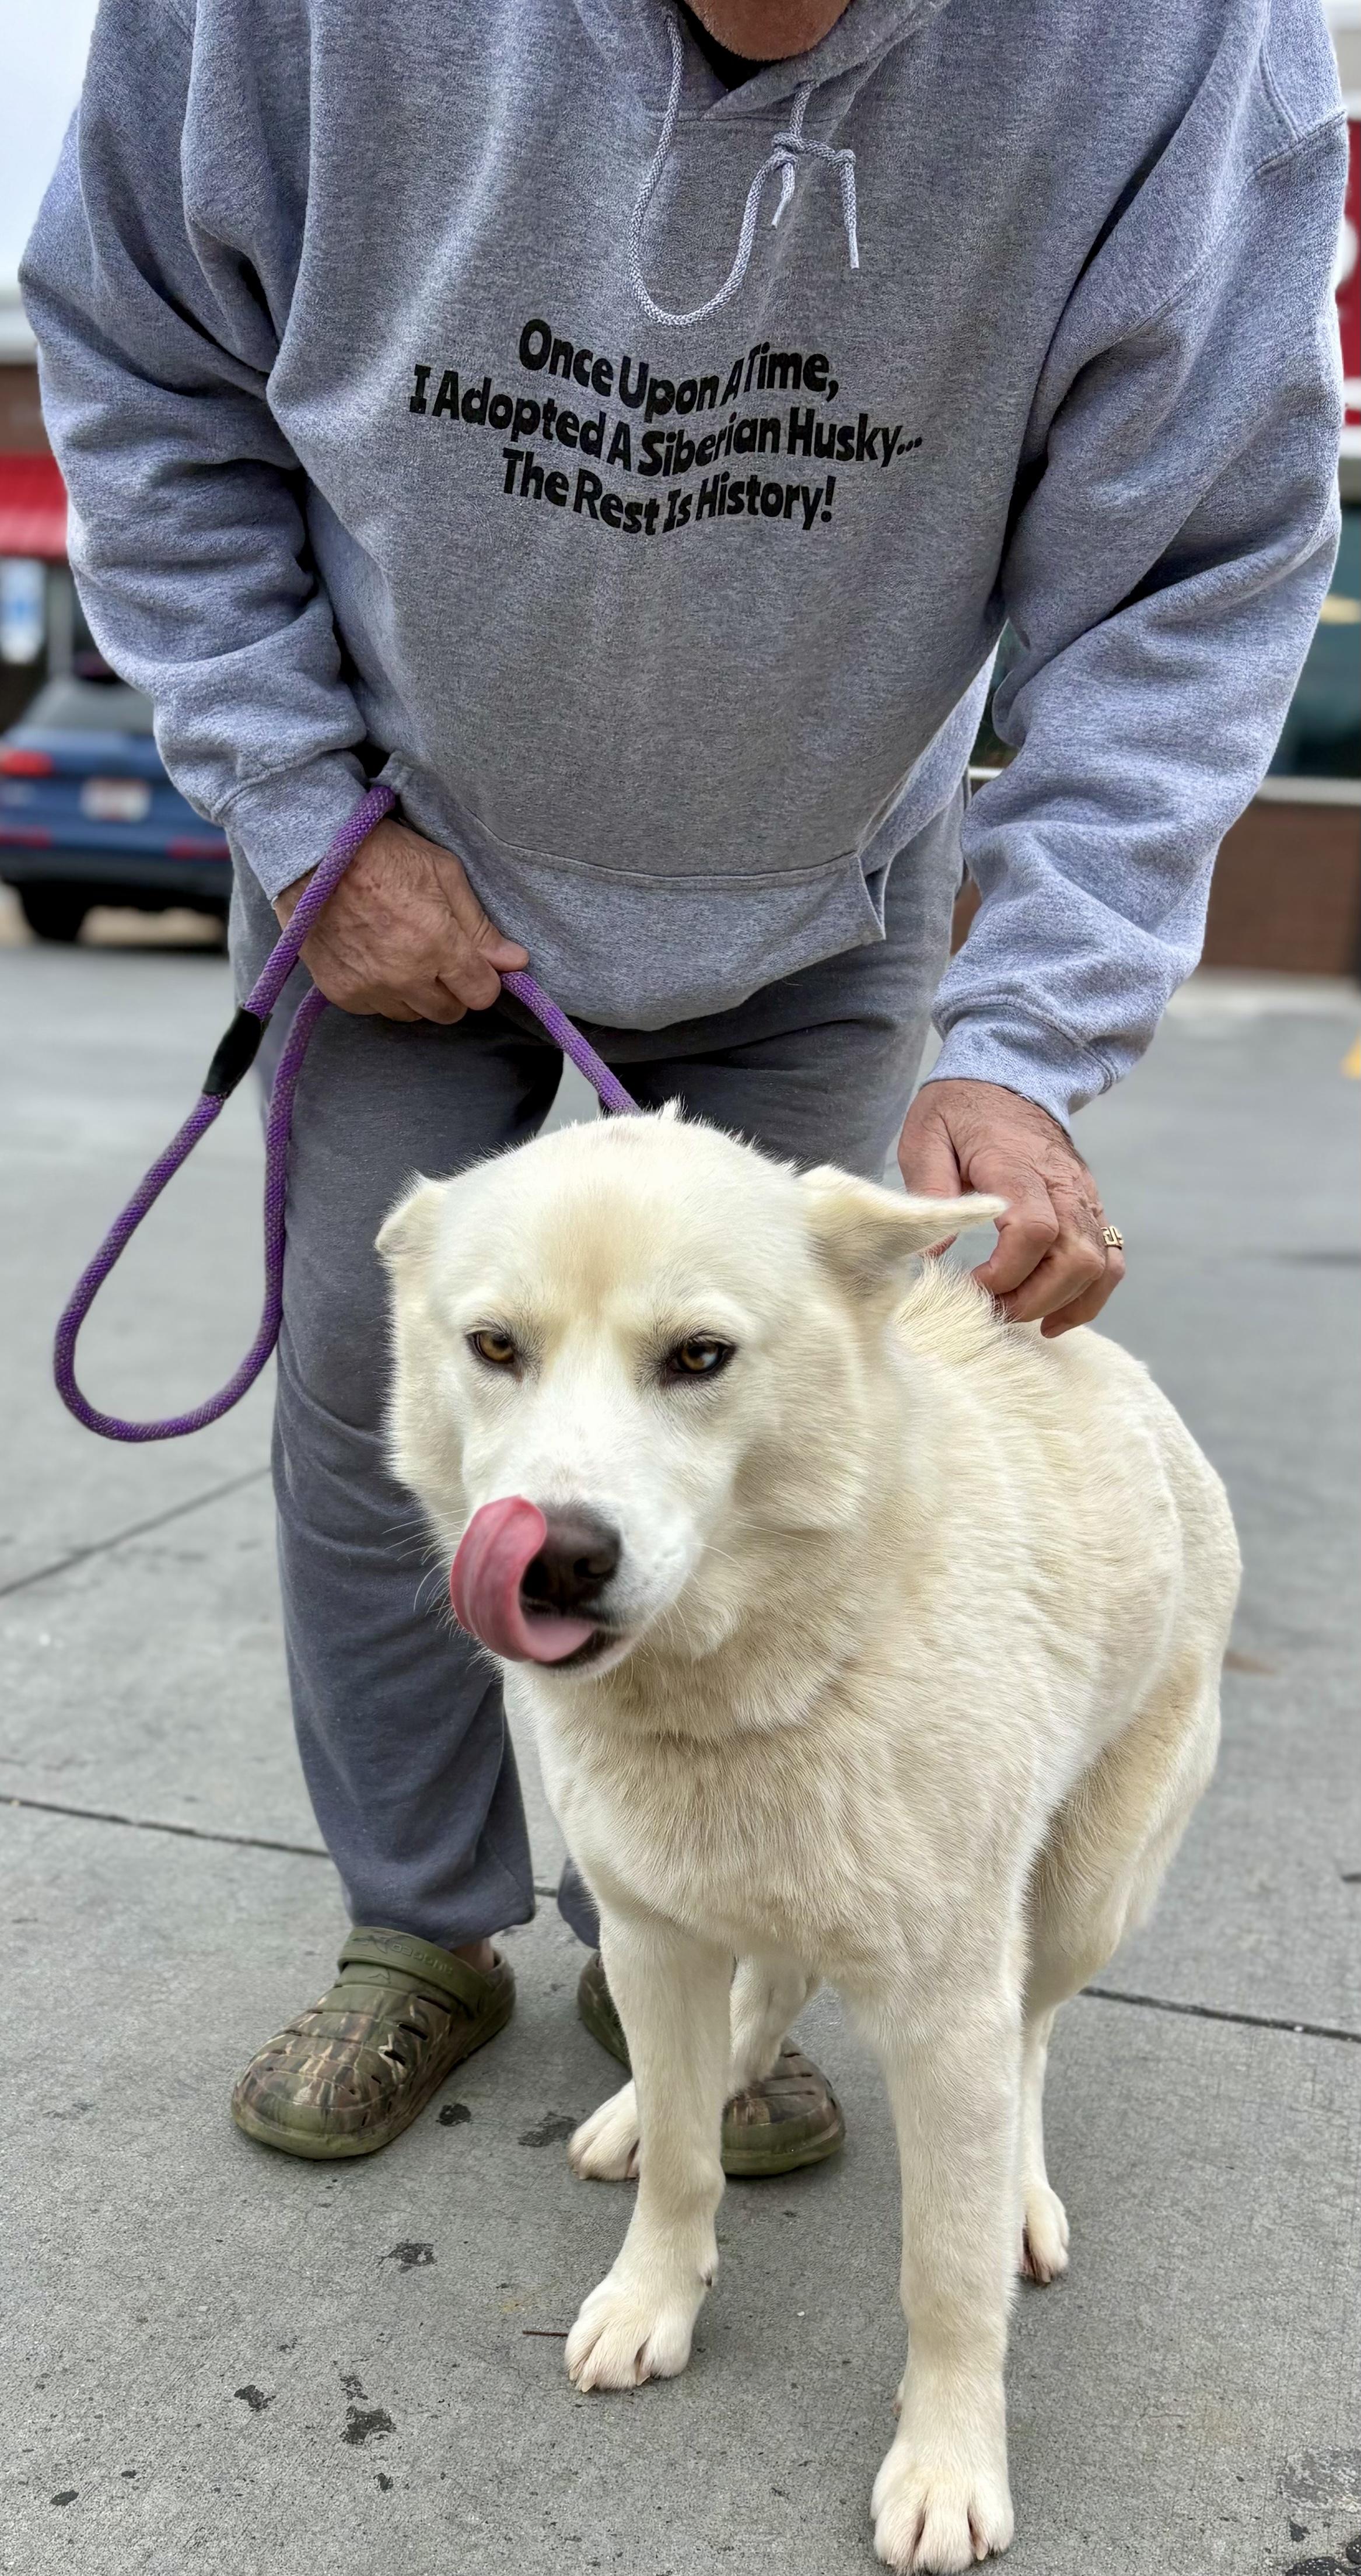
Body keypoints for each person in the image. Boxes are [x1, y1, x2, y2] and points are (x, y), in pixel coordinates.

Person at [23, 0, 1343, 2169]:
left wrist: (1026, 1041)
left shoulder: (1182, 48)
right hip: (400, 871)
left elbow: (1193, 565)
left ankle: (697, 1960)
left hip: (824, 896)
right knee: (401, 1423)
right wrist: (305, 806)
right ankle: (419, 1936)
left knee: (787, 1444)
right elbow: (147, 365)